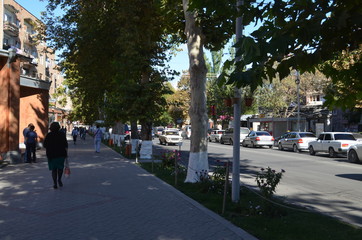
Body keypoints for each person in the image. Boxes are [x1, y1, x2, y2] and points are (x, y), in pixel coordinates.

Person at [43, 122, 68, 189]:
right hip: (61, 154)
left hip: (51, 155)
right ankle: (59, 179)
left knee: (54, 170)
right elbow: (66, 145)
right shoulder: (62, 134)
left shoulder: (49, 135)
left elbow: (44, 145)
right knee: (60, 168)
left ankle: (55, 183)